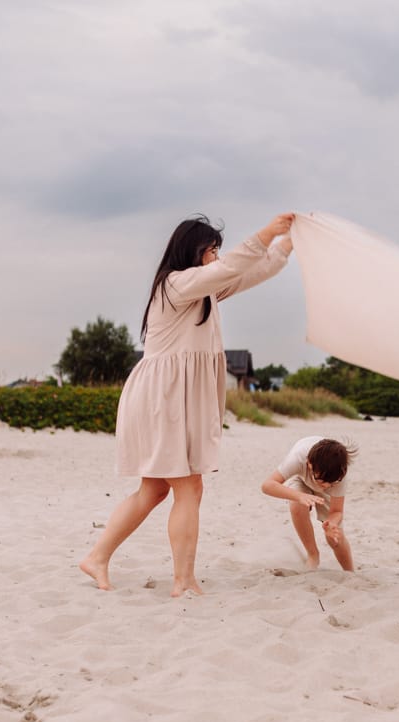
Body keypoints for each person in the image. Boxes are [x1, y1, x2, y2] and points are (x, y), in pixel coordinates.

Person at [80, 212, 295, 597]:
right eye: (211, 249)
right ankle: (183, 580)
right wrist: (267, 233)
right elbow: (232, 267)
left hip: (171, 397)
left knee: (155, 490)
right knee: (189, 487)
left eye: (217, 250)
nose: (216, 257)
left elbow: (248, 274)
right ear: (193, 251)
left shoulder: (203, 290)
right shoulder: (176, 285)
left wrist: (285, 247)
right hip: (163, 398)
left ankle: (96, 556)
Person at [261, 436, 357, 571]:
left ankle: (350, 571)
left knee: (335, 537)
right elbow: (267, 485)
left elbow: (337, 511)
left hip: (327, 478)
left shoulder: (338, 475)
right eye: (322, 481)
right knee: (297, 505)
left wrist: (332, 524)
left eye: (331, 483)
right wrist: (299, 496)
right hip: (302, 479)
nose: (325, 486)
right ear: (309, 464)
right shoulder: (298, 459)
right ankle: (313, 554)